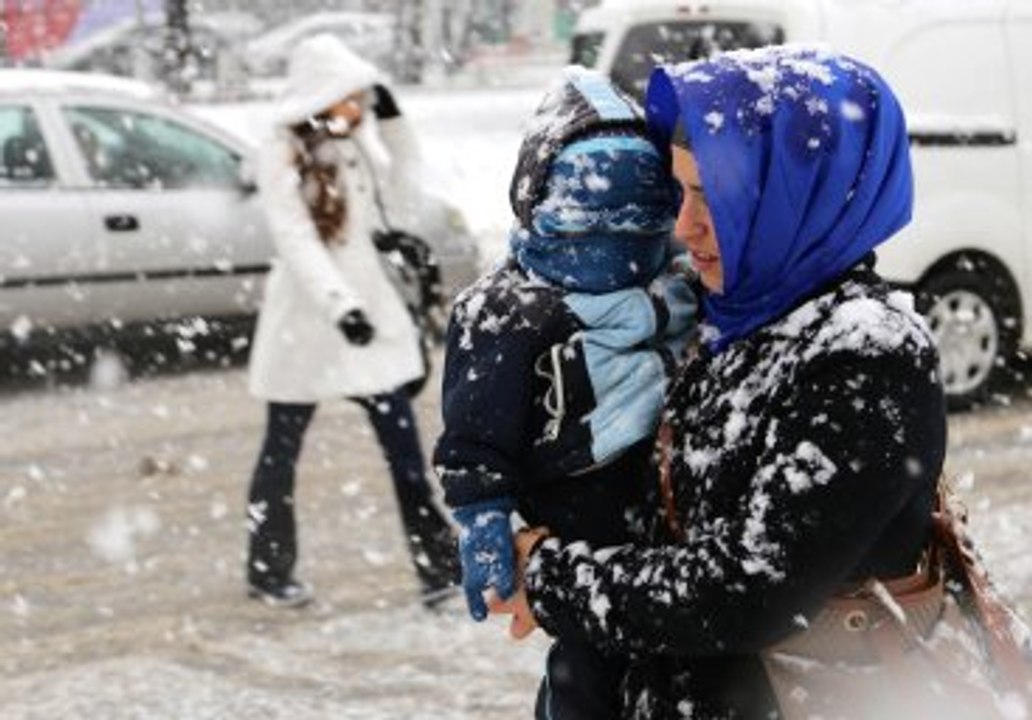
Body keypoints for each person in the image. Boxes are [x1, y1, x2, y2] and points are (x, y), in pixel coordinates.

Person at [493, 46, 948, 718]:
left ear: (797, 198)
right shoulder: (714, 314)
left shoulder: (868, 356)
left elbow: (747, 590)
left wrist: (548, 575)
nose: (686, 226)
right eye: (680, 192)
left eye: (715, 198)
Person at [433, 67, 696, 719]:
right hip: (573, 500)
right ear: (537, 207)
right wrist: (483, 515)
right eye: (586, 229)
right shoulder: (510, 312)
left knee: (654, 652)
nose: (616, 250)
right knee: (589, 662)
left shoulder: (677, 286)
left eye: (639, 226)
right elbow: (473, 430)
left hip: (660, 497)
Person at [244, 34, 457, 608]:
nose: (361, 104)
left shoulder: (356, 142)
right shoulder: (280, 151)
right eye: (353, 95)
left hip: (368, 319)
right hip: (309, 321)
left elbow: (406, 191)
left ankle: (439, 568)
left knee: (405, 451)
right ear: (322, 95)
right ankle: (267, 569)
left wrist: (394, 124)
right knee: (281, 451)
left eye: (366, 95)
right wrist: (341, 307)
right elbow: (294, 238)